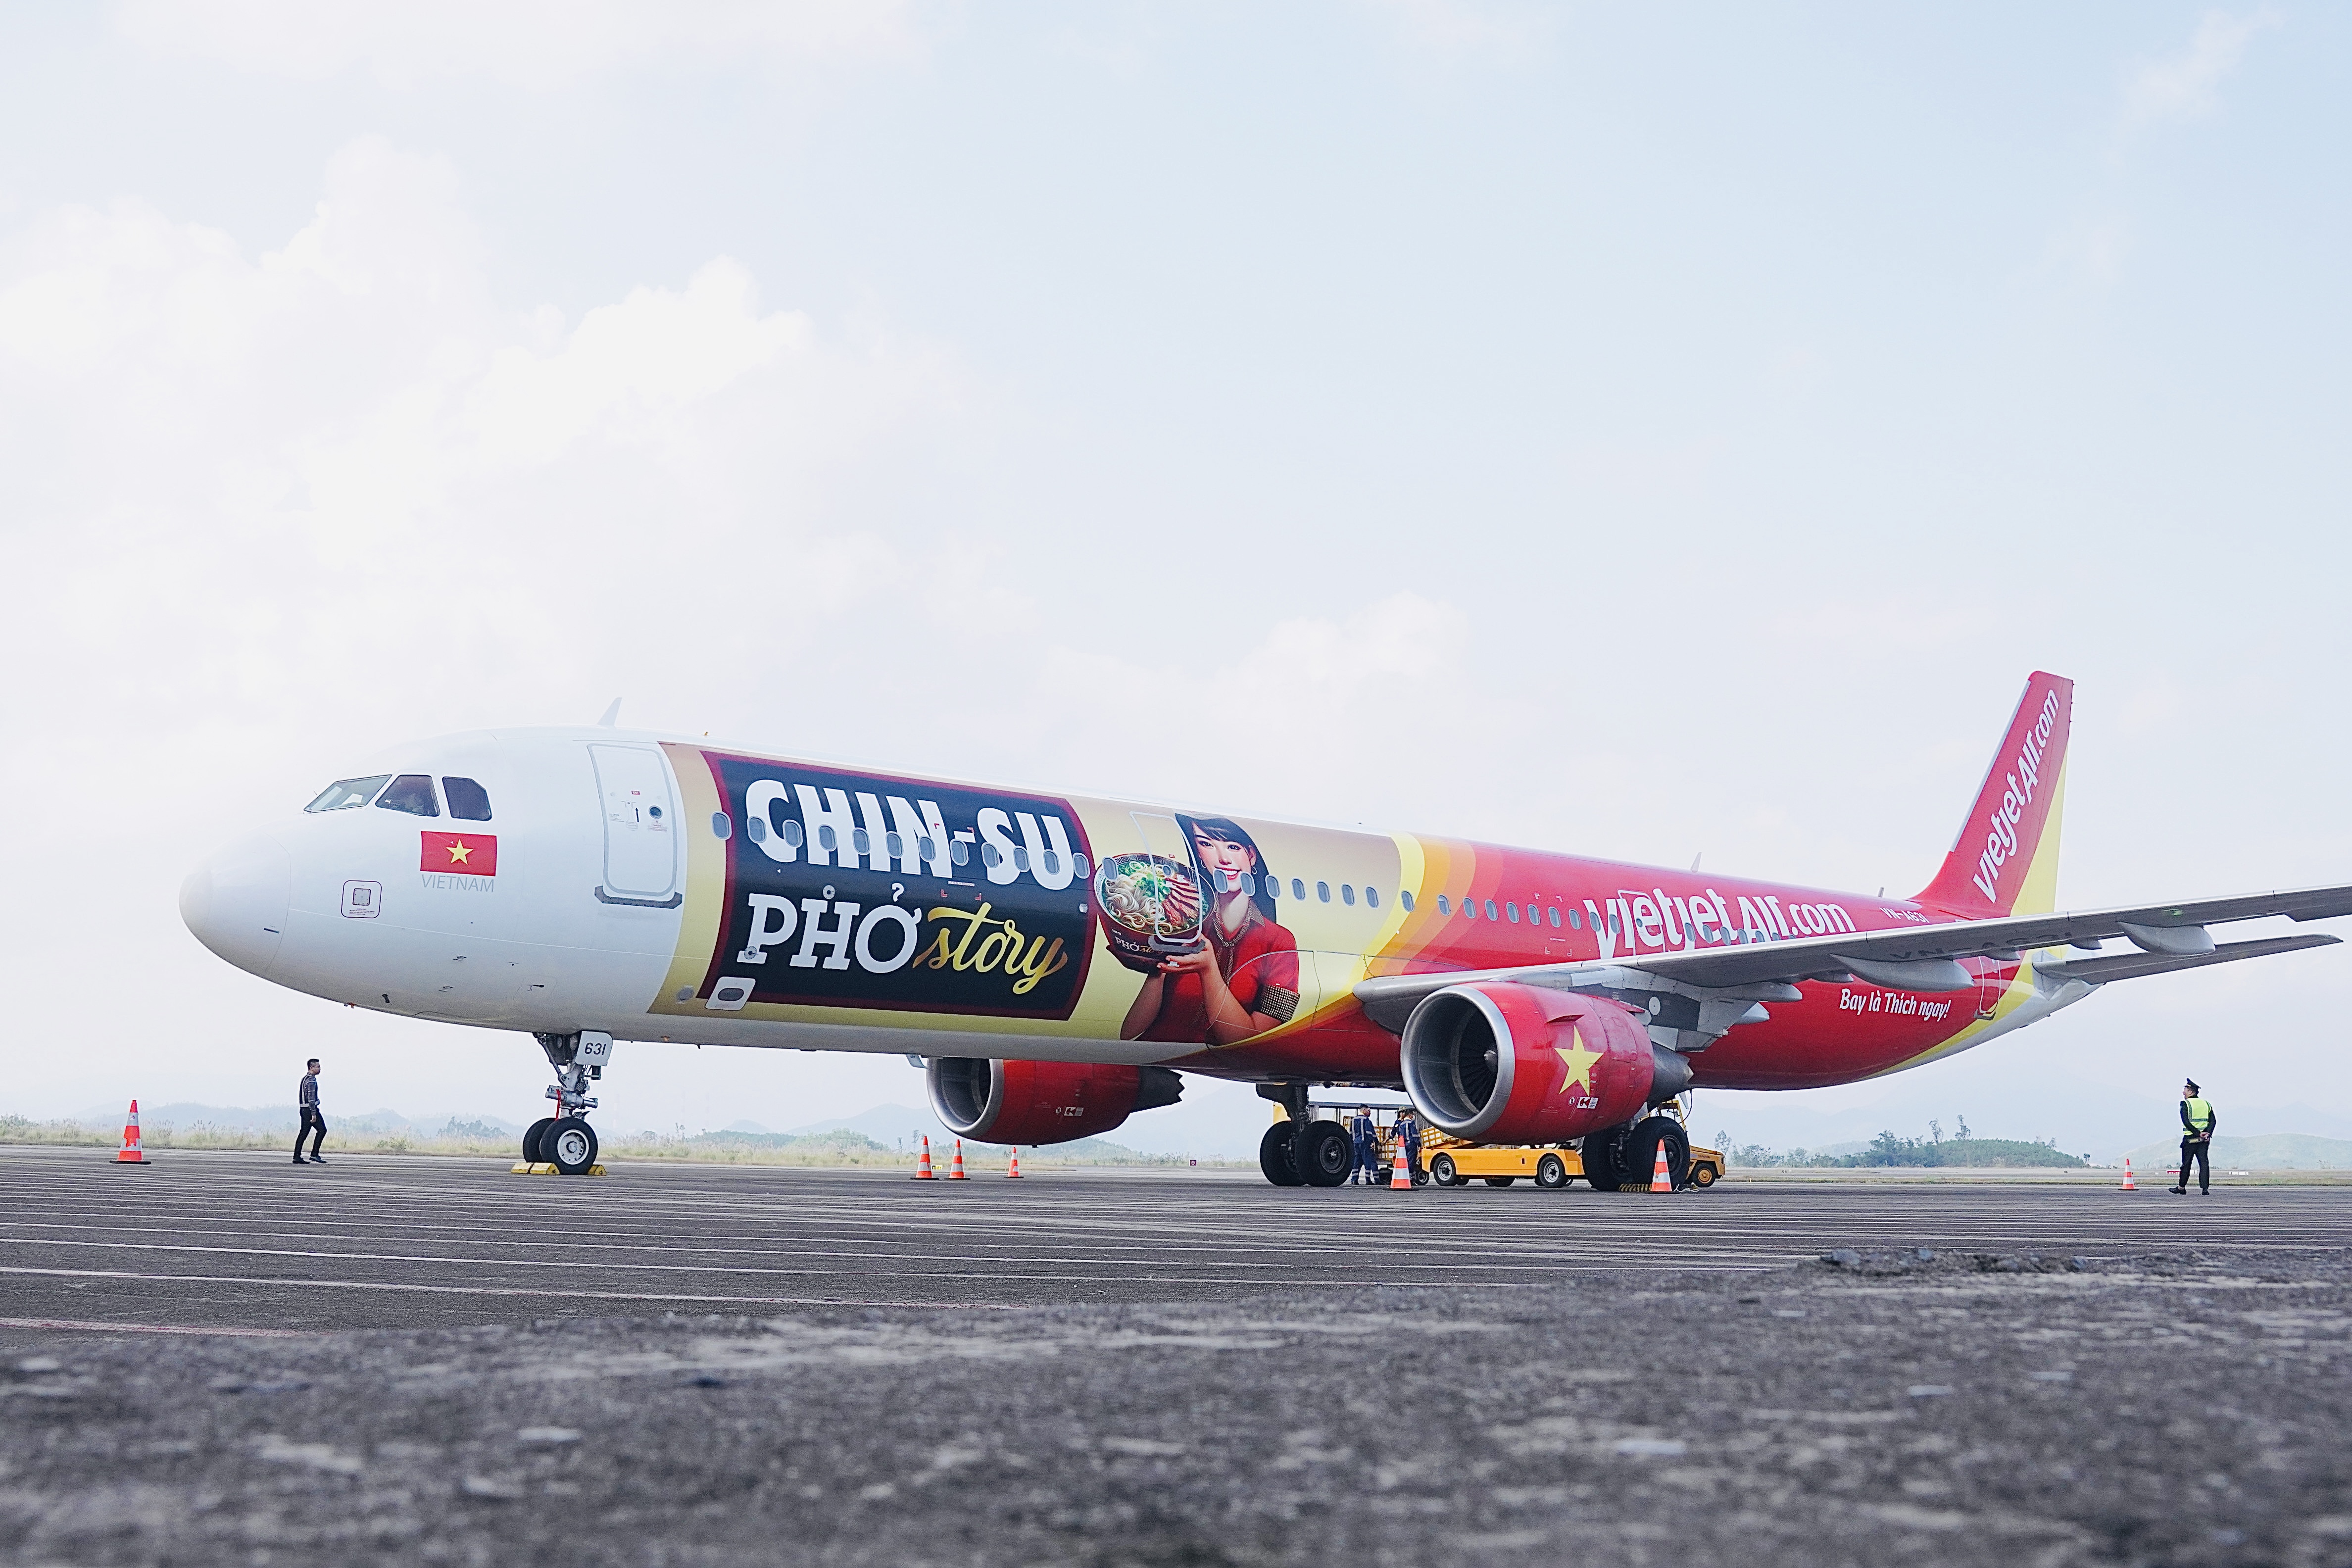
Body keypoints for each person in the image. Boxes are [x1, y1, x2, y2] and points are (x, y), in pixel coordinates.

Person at [1117, 817, 1301, 1046]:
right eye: (1207, 845)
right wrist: (1156, 969)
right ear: (1200, 857)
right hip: (1159, 1062)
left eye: (1233, 847)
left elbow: (1250, 1043)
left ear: (1251, 856)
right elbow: (1129, 1034)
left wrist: (1209, 970)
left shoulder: (1279, 941)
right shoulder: (1182, 924)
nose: (1223, 859)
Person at [2171, 1078, 2216, 1195]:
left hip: (2190, 1139)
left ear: (2190, 1092)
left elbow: (2186, 1121)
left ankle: (2181, 1187)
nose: (2183, 1092)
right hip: (2204, 1140)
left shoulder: (2185, 1104)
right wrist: (2207, 1133)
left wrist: (2197, 1133)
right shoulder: (2207, 1104)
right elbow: (2213, 1121)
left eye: (2185, 1090)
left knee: (2186, 1164)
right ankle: (2205, 1189)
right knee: (2204, 1163)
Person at [294, 1058, 327, 1165]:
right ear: (311, 1068)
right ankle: (314, 1154)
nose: (320, 1069)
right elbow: (311, 1098)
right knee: (322, 1130)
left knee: (303, 1133)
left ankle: (297, 1156)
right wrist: (314, 1114)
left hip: (304, 1109)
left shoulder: (305, 1079)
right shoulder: (311, 1080)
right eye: (318, 1067)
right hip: (309, 1109)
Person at [1351, 1105, 1377, 1186]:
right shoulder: (1366, 1120)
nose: (1370, 1113)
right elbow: (1370, 1133)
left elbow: (1351, 1133)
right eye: (1369, 1111)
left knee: (1357, 1161)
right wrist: (1375, 1142)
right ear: (1364, 1110)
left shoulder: (1353, 1120)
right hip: (1365, 1143)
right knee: (1367, 1161)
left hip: (1356, 1143)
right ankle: (1368, 1180)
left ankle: (1354, 1180)